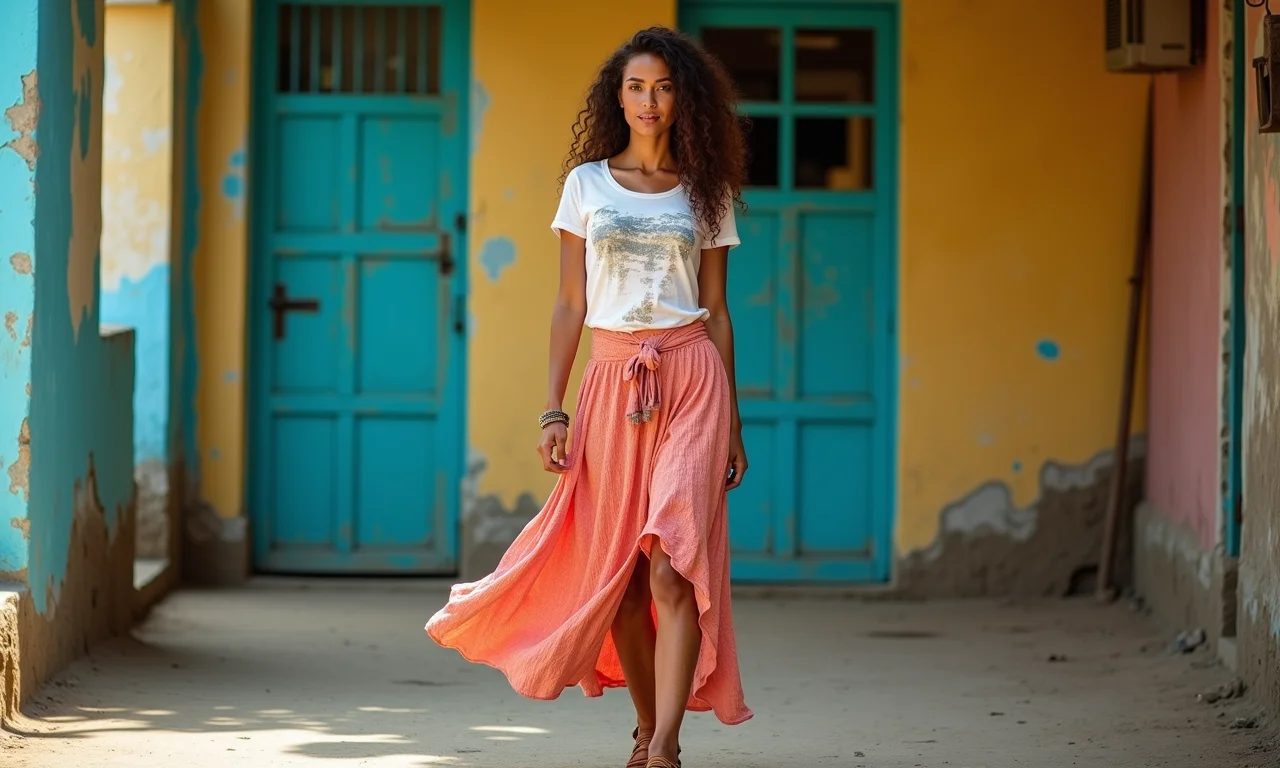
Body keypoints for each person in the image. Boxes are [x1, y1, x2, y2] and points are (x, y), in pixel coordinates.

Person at [425, 26, 752, 768]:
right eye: (636, 86)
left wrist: (734, 421)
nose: (649, 100)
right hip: (611, 383)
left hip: (693, 377)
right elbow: (570, 304)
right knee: (626, 582)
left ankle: (666, 746)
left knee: (673, 561)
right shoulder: (586, 186)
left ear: (683, 99)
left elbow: (718, 310)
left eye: (664, 87)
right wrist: (554, 408)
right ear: (618, 96)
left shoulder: (708, 191)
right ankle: (645, 724)